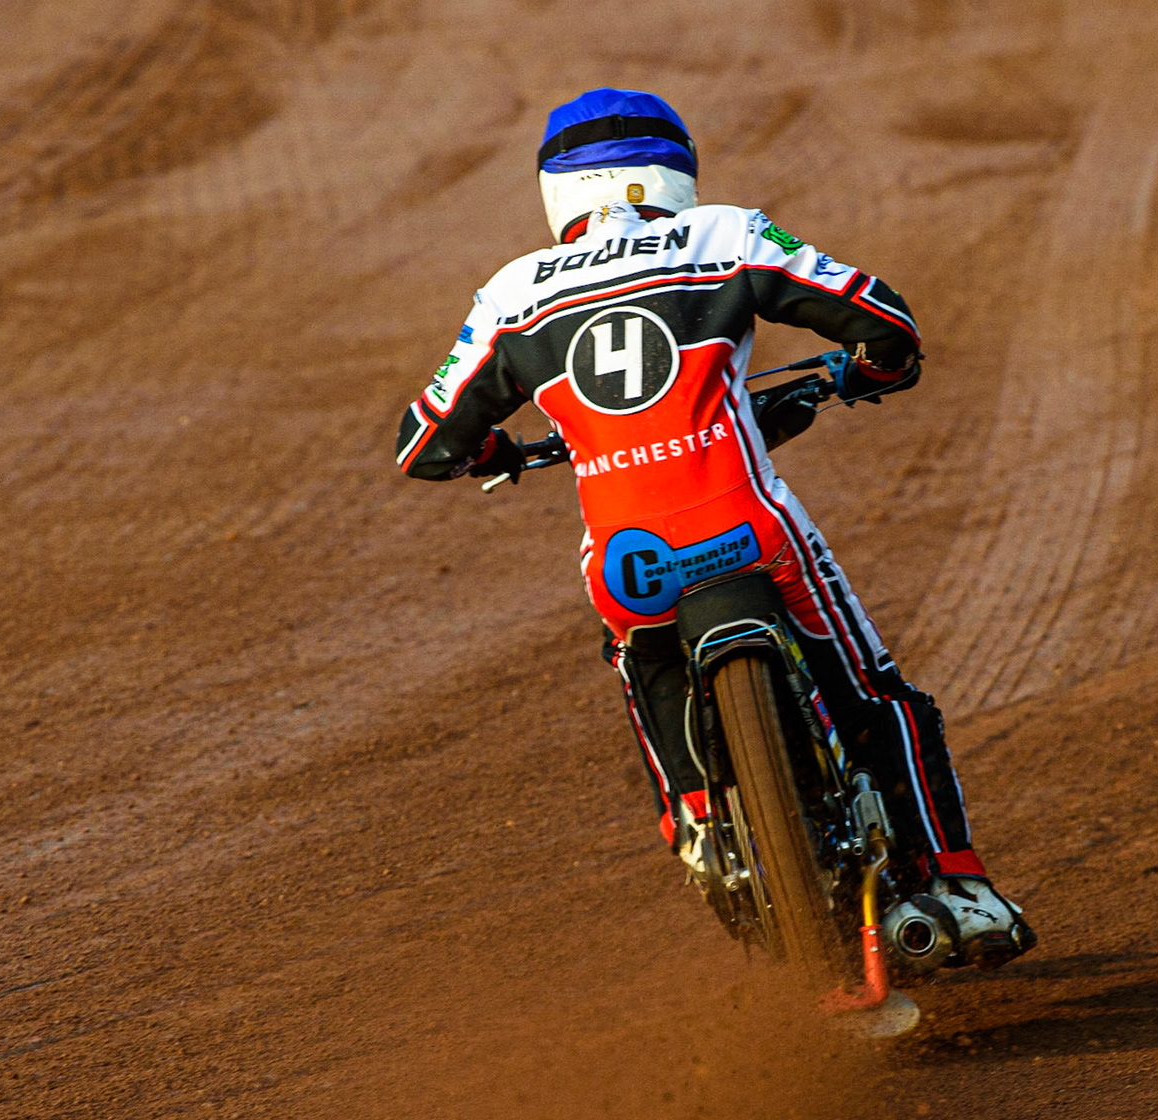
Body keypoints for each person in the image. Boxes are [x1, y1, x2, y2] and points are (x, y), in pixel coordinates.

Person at [394, 88, 1034, 971]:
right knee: (880, 701)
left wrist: (493, 449)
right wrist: (880, 366)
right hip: (748, 527)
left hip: (629, 564)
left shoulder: (512, 294)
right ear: (674, 172)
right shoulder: (726, 237)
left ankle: (698, 820)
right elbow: (881, 318)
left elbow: (424, 443)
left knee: (645, 667)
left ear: (555, 191)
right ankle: (957, 884)